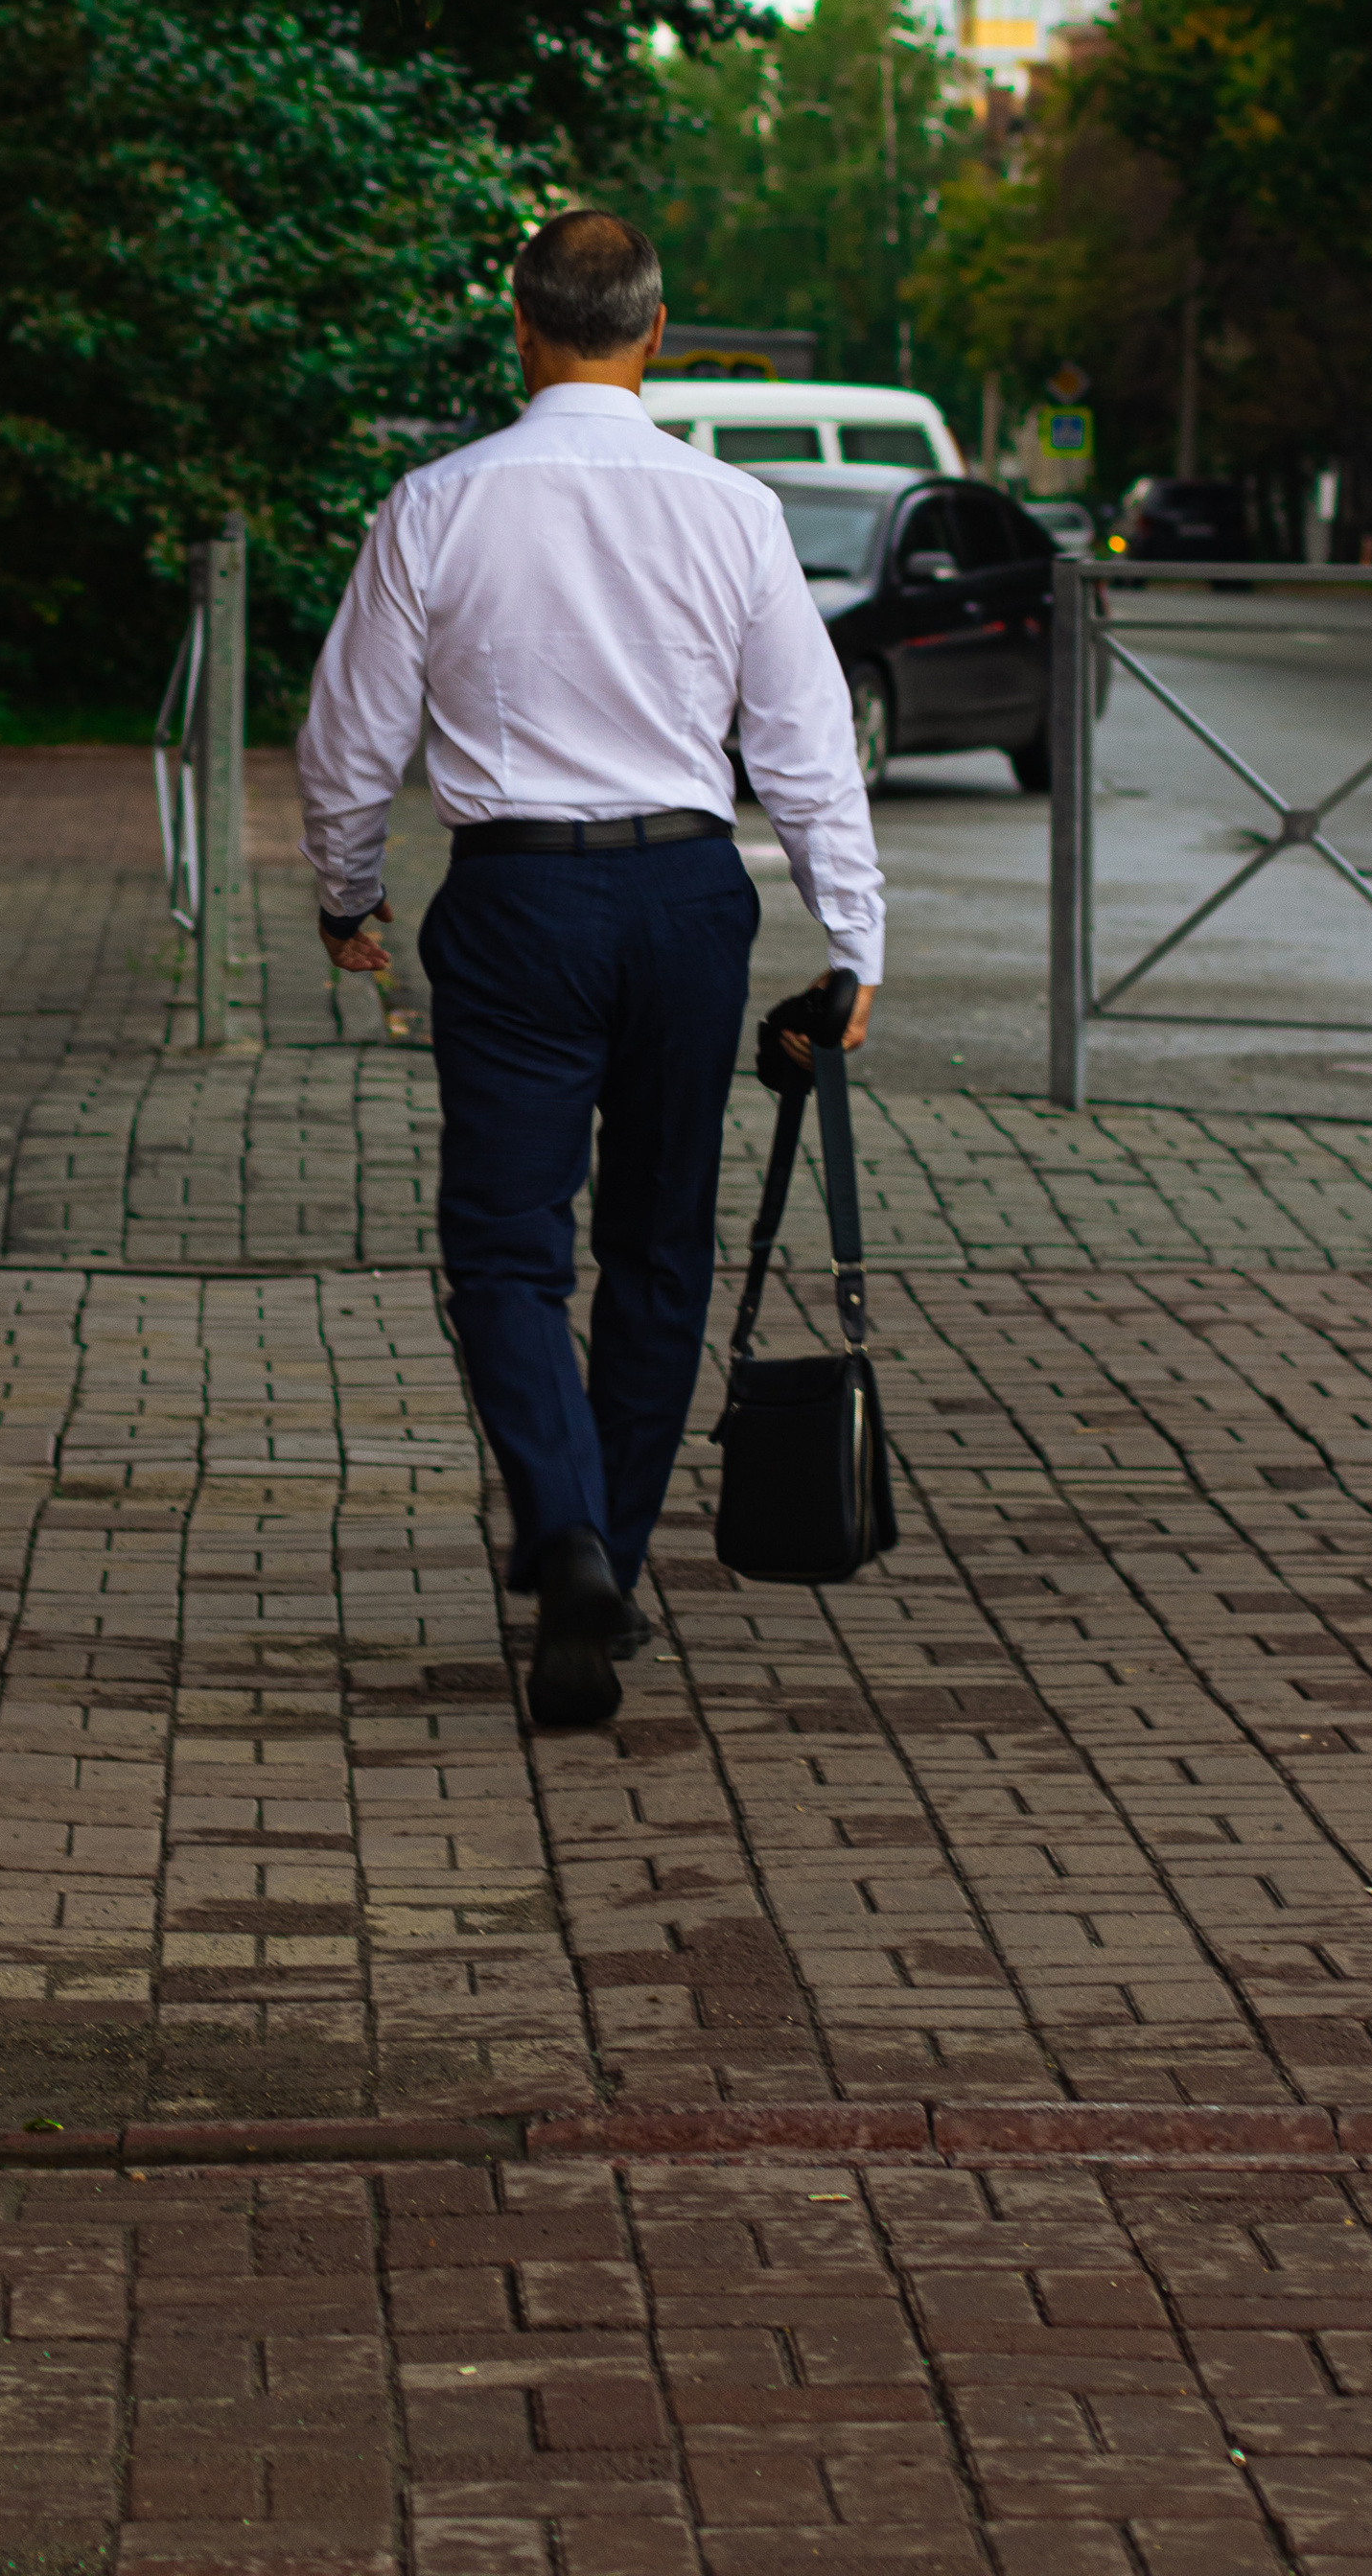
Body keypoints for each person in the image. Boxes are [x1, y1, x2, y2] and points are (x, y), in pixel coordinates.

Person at [295, 207, 885, 1729]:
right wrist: (853, 940)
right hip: (690, 899)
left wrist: (345, 897)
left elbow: (349, 740)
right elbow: (807, 749)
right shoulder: (734, 510)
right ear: (658, 330)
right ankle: (606, 1550)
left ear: (521, 327)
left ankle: (561, 1532)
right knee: (659, 1244)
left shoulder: (437, 502)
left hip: (514, 907)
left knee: (504, 1240)